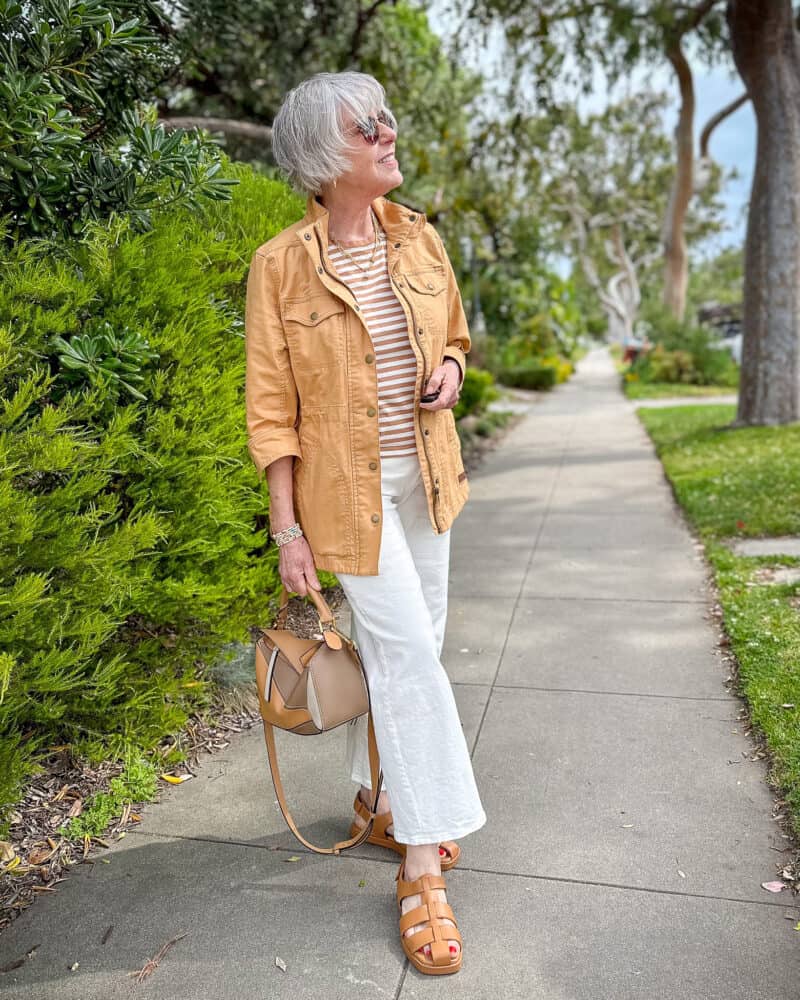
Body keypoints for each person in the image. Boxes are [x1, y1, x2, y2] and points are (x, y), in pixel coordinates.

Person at [244, 70, 486, 976]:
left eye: (385, 117)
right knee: (411, 660)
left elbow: (455, 337)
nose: (388, 132)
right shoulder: (280, 265)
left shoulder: (418, 238)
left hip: (427, 475)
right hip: (345, 497)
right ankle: (422, 864)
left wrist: (451, 373)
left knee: (415, 641)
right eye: (365, 126)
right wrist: (286, 531)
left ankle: (372, 801)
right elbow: (270, 412)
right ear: (320, 155)